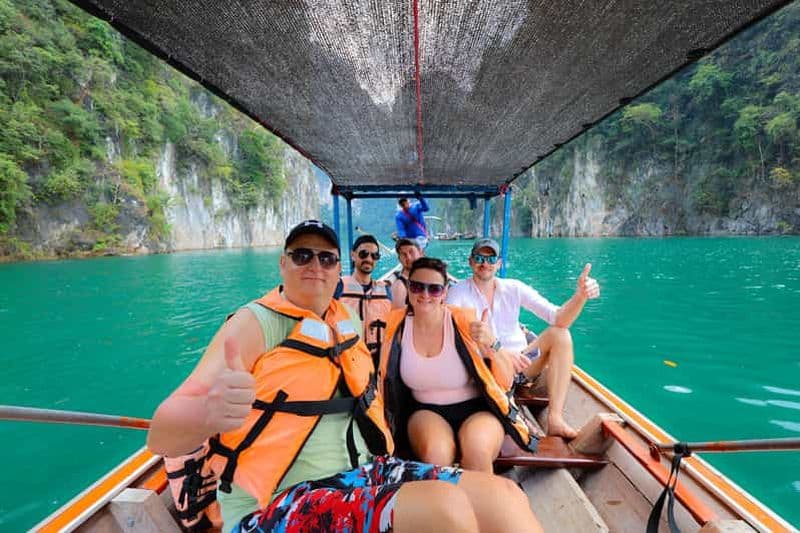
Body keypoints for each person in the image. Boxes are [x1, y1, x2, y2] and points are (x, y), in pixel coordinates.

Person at [147, 220, 542, 533]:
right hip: (276, 503)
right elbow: (161, 434)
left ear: (338, 268)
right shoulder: (256, 324)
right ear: (282, 264)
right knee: (446, 510)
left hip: (361, 474)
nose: (315, 266)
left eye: (325, 258)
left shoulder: (344, 320)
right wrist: (207, 415)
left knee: (503, 495)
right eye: (301, 256)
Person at [380, 257, 537, 474]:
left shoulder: (465, 324)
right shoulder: (396, 329)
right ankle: (451, 504)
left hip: (477, 409)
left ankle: (482, 505)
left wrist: (493, 344)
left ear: (444, 293)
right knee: (436, 454)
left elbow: (505, 380)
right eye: (417, 287)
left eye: (434, 289)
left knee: (477, 451)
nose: (425, 295)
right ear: (408, 288)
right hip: (425, 411)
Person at [446, 238, 600, 439]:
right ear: (470, 262)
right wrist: (501, 353)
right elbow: (455, 342)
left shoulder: (514, 288)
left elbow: (558, 318)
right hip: (486, 368)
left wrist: (580, 296)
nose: (485, 263)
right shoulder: (457, 294)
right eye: (479, 258)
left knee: (560, 334)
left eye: (491, 258)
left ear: (499, 264)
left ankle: (555, 420)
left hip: (522, 363)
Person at [337, 234, 392, 364]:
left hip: (379, 360)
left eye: (374, 255)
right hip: (348, 359)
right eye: (364, 254)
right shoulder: (338, 287)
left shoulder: (386, 291)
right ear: (353, 255)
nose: (369, 259)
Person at [389, 237, 424, 309]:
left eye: (411, 252)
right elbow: (396, 316)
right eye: (403, 254)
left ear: (421, 253)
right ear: (399, 259)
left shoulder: (429, 276)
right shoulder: (399, 287)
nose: (408, 257)